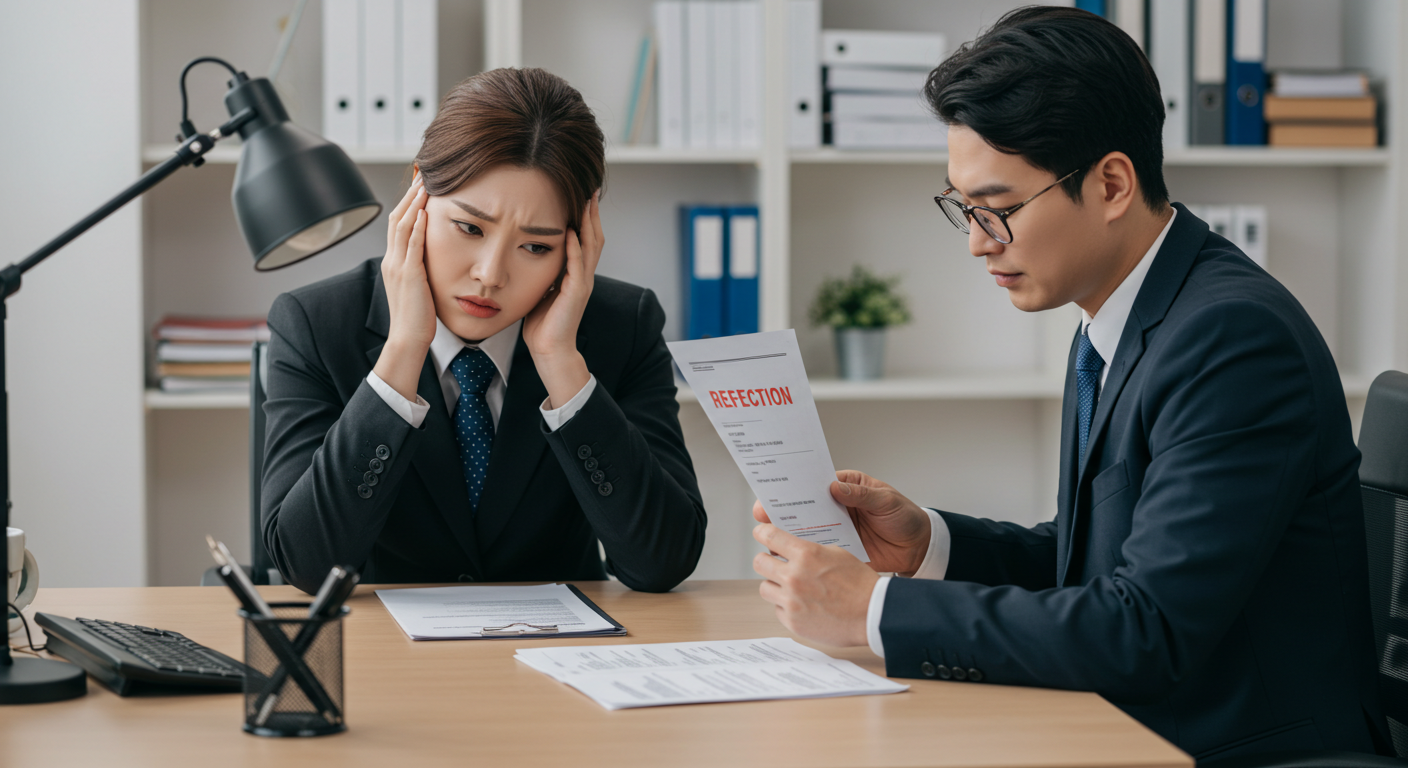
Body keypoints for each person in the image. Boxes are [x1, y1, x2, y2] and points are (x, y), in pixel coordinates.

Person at [749, 7, 1388, 762]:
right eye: (964, 208)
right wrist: (931, 547)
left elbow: (1143, 630)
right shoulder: (1116, 316)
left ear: (1112, 183)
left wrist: (874, 610)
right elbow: (1093, 564)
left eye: (999, 209)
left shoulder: (1234, 341)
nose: (978, 242)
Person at [261, 68, 706, 595]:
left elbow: (662, 562)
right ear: (418, 195)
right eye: (469, 228)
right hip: (383, 657)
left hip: (564, 656)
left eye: (536, 247)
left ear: (577, 243)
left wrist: (563, 364)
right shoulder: (314, 324)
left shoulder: (621, 325)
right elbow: (306, 565)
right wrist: (403, 351)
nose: (491, 275)